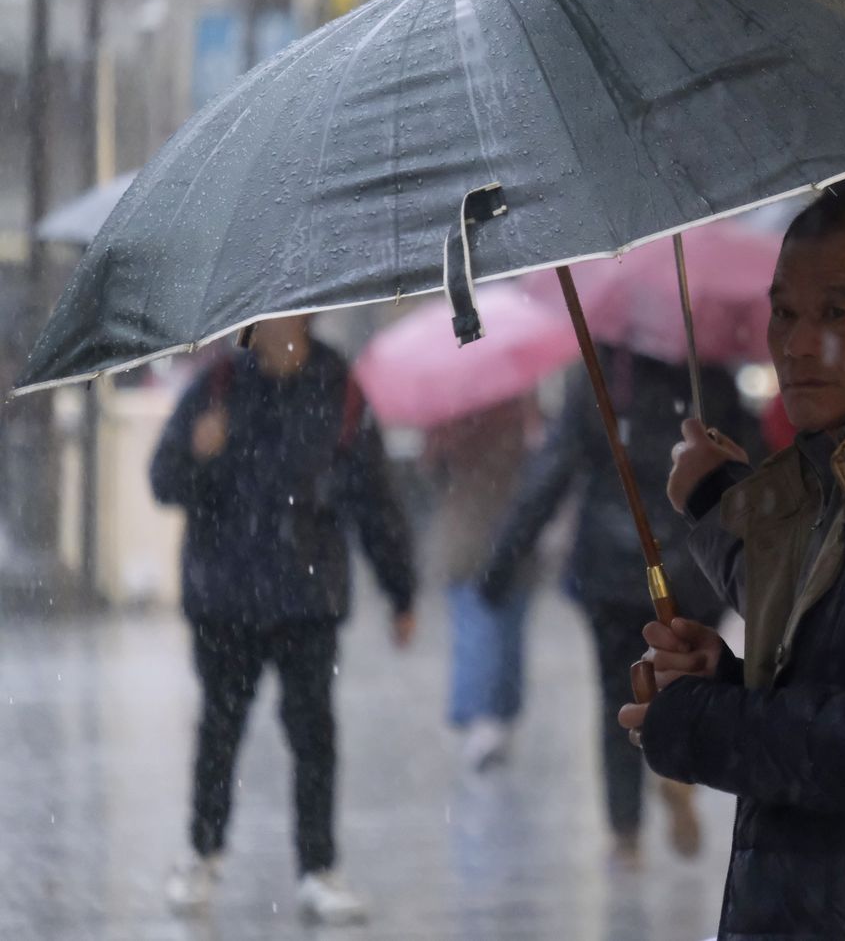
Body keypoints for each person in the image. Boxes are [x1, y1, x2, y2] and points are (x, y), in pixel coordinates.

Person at [619, 190, 845, 940]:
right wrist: (725, 681)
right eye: (785, 313)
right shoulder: (843, 469)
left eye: (836, 312)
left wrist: (704, 721)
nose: (795, 345)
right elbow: (833, 678)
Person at [150, 315, 416, 925]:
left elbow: (374, 497)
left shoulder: (339, 388)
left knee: (313, 736)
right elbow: (163, 480)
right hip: (226, 598)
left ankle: (318, 869)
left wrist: (400, 590)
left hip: (306, 597)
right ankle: (202, 853)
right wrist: (200, 455)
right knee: (220, 732)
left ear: (304, 313)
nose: (270, 326)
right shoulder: (217, 383)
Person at [470, 346, 758, 866]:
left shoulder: (602, 374)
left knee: (616, 695)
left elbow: (553, 469)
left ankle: (625, 833)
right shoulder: (706, 368)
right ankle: (677, 773)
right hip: (694, 565)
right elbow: (752, 465)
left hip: (611, 567)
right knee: (688, 678)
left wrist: (502, 561)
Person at [420, 398, 543, 770]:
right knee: (502, 631)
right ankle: (496, 714)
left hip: (472, 534)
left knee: (477, 630)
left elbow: (431, 470)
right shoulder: (521, 409)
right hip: (510, 533)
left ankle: (484, 716)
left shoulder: (449, 414)